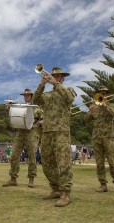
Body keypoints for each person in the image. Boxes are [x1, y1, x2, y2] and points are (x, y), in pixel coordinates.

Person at [33, 67, 76, 207]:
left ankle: (65, 193)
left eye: (58, 76)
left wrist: (55, 84)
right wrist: (42, 84)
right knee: (46, 164)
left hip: (61, 132)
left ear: (62, 78)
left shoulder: (68, 90)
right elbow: (35, 99)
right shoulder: (46, 95)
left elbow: (69, 99)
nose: (55, 77)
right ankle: (56, 189)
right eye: (53, 76)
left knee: (63, 163)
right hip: (46, 132)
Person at [84, 86, 114, 194]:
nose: (103, 95)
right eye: (101, 93)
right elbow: (86, 120)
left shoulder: (112, 105)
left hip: (108, 137)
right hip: (96, 137)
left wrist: (105, 104)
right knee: (99, 163)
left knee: (112, 162)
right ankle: (103, 184)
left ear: (107, 94)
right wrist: (90, 111)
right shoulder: (94, 107)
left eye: (105, 93)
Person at [2, 88, 43, 188]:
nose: (26, 97)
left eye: (28, 95)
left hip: (32, 133)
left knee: (32, 157)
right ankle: (13, 179)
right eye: (25, 95)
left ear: (31, 96)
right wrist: (9, 109)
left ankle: (31, 179)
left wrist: (37, 124)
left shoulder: (36, 108)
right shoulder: (20, 107)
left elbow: (43, 119)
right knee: (14, 155)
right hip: (20, 133)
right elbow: (14, 116)